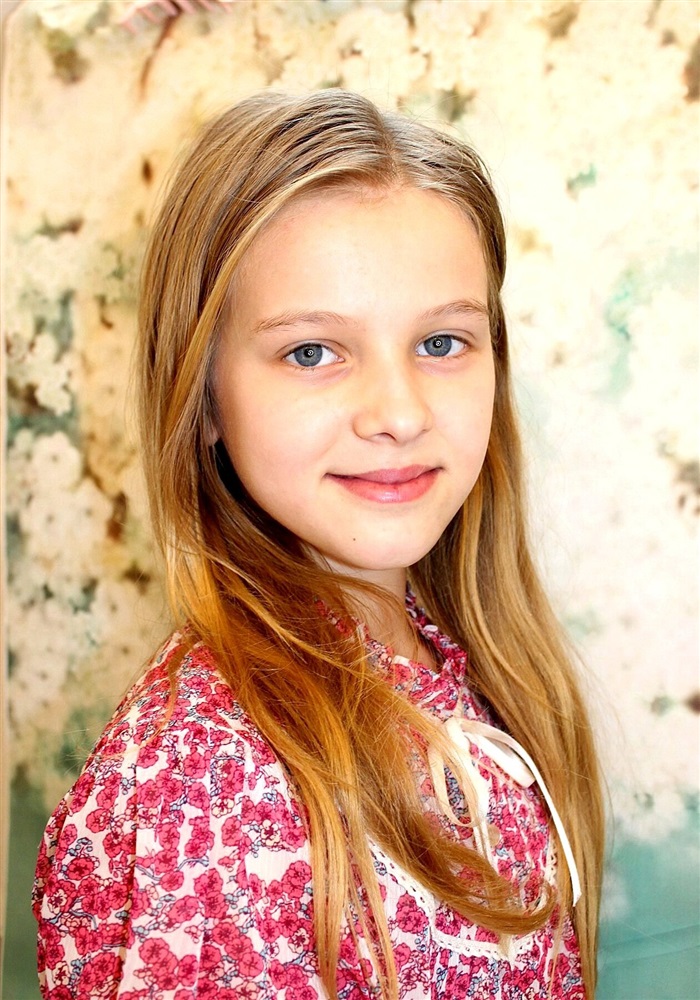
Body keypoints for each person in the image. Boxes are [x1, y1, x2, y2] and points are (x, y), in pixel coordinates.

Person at [33, 90, 605, 1000]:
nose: (400, 413)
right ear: (204, 396)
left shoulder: (455, 657)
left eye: (442, 341)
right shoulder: (205, 781)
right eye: (312, 353)